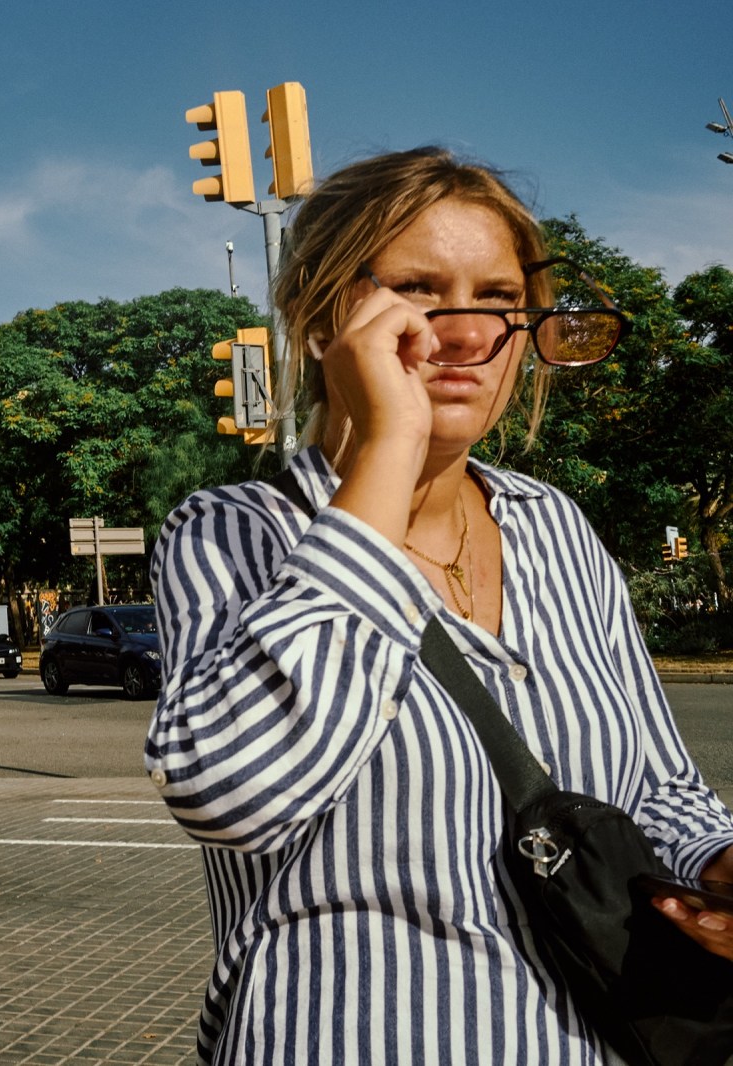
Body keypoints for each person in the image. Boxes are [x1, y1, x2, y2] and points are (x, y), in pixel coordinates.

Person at [145, 147, 733, 1065]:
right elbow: (230, 794)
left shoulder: (555, 529)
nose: (468, 335)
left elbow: (657, 787)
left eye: (500, 300)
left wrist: (718, 865)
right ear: (317, 318)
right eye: (420, 290)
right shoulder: (231, 534)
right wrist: (389, 448)